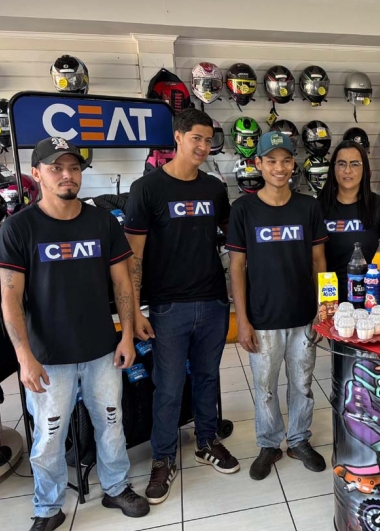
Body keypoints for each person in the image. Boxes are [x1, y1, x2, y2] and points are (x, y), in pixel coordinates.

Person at [0, 137, 149, 531]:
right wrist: (24, 357)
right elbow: (10, 298)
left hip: (102, 350)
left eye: (74, 167)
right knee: (49, 436)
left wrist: (126, 335)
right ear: (37, 173)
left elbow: (122, 282)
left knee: (111, 423)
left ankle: (116, 487)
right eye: (56, 168)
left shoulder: (101, 222)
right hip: (48, 358)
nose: (67, 175)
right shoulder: (18, 227)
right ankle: (48, 507)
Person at [124, 108, 238, 505]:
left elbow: (232, 239)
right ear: (178, 137)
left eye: (208, 140)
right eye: (196, 139)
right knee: (169, 387)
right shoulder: (146, 188)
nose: (203, 147)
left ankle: (207, 441)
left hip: (213, 301)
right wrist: (134, 312)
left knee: (207, 379)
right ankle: (163, 458)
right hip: (167, 307)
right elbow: (133, 256)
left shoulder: (214, 188)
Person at [227, 131, 329, 481]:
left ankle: (299, 440)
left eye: (286, 160)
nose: (279, 167)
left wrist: (324, 309)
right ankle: (269, 443)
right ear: (258, 163)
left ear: (294, 164)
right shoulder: (243, 210)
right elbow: (237, 267)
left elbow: (319, 261)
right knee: (265, 388)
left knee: (302, 384)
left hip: (304, 315)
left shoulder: (308, 206)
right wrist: (242, 320)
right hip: (262, 318)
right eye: (271, 160)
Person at [317, 140, 380, 302]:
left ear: (365, 169)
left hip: (372, 302)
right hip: (330, 302)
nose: (347, 170)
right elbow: (314, 262)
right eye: (341, 164)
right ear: (333, 168)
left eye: (355, 164)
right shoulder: (318, 208)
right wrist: (319, 305)